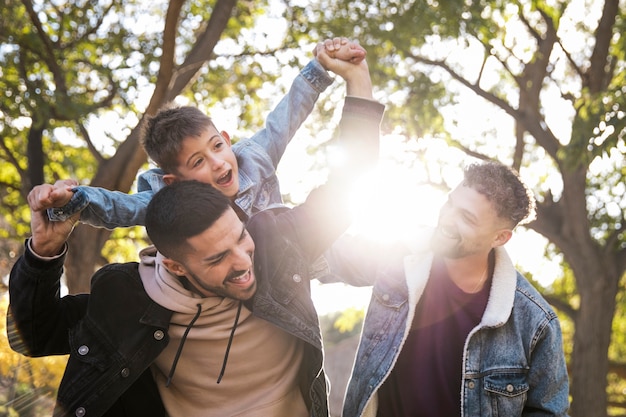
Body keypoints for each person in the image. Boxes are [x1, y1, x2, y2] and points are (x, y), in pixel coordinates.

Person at [7, 42, 384, 417]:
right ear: (174, 265)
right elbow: (36, 334)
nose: (241, 262)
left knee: (376, 258)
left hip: (297, 258)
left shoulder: (274, 240)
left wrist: (353, 78)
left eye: (240, 236)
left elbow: (344, 182)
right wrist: (46, 247)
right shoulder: (129, 297)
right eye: (218, 257)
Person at [328, 161, 570, 416]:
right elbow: (320, 254)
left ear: (500, 237)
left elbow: (548, 411)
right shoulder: (397, 258)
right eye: (450, 203)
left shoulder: (536, 322)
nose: (447, 220)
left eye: (466, 217)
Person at [43, 37, 367, 227]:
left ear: (226, 140)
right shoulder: (168, 199)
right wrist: (74, 201)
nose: (217, 163)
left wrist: (320, 66)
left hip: (292, 254)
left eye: (216, 146)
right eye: (197, 162)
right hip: (236, 293)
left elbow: (286, 118)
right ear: (175, 182)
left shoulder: (252, 157)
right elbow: (122, 208)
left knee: (359, 253)